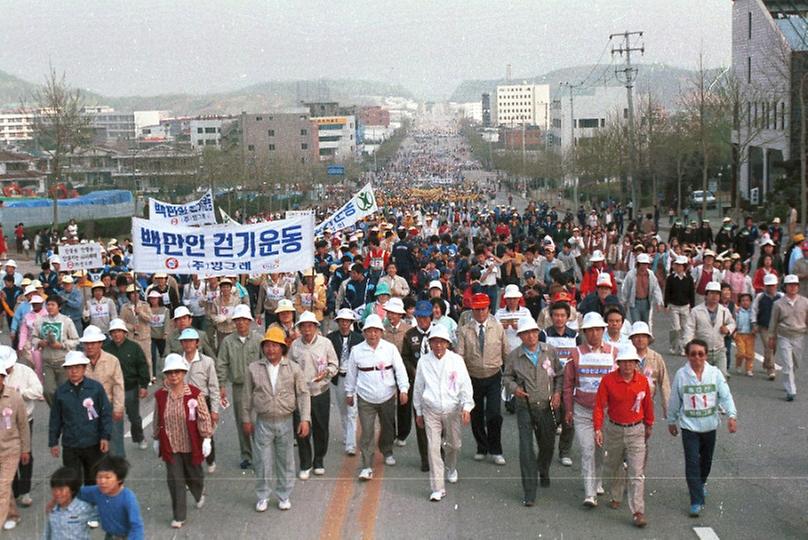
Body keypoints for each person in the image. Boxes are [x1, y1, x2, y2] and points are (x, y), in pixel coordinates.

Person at [242, 327, 310, 512]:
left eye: (275, 346)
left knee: (286, 459)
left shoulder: (293, 368)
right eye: (267, 346)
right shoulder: (254, 368)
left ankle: (283, 495)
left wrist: (305, 419)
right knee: (262, 461)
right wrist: (246, 419)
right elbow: (246, 395)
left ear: (282, 348)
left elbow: (303, 394)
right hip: (263, 421)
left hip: (285, 420)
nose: (271, 349)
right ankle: (262, 496)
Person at [668, 339, 738, 517]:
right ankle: (696, 500)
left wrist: (731, 415)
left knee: (706, 461)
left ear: (706, 356)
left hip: (709, 427)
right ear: (687, 355)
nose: (697, 358)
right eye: (693, 354)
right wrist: (671, 420)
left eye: (700, 354)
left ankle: (701, 483)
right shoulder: (681, 375)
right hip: (689, 427)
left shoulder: (714, 374)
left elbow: (725, 395)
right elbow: (675, 399)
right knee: (692, 463)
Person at [503, 318, 563, 507]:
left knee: (547, 444)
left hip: (547, 406)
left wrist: (557, 393)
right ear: (520, 336)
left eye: (534, 332)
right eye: (526, 333)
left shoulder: (549, 351)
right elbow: (506, 377)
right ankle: (529, 492)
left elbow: (559, 374)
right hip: (525, 407)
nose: (531, 336)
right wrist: (514, 389)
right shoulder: (514, 356)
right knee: (526, 449)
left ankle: (543, 468)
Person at [562, 311, 618, 507]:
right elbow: (568, 384)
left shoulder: (614, 353)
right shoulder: (575, 354)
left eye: (597, 329)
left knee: (600, 450)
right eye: (589, 330)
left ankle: (598, 480)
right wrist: (568, 409)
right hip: (583, 410)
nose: (594, 334)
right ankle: (589, 493)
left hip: (605, 412)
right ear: (584, 332)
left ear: (603, 330)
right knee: (587, 449)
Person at [344, 314, 410, 480]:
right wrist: (349, 393)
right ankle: (366, 465)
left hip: (387, 395)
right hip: (365, 397)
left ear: (381, 332)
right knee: (367, 431)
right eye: (369, 331)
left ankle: (387, 451)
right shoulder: (357, 351)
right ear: (364, 332)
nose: (372, 335)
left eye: (376, 331)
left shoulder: (390, 349)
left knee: (387, 427)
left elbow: (400, 370)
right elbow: (351, 374)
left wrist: (403, 389)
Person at [413, 324, 473, 502]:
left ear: (447, 343)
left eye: (442, 342)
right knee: (433, 449)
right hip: (430, 410)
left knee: (454, 445)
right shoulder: (423, 361)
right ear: (430, 343)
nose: (438, 346)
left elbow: (465, 385)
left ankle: (451, 467)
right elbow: (418, 388)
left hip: (452, 409)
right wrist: (418, 411)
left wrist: (467, 407)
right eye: (435, 342)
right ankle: (437, 488)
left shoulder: (456, 360)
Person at [593, 347, 653, 528]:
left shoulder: (642, 381)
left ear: (636, 363)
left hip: (636, 429)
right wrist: (598, 429)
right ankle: (616, 494)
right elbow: (598, 406)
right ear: (618, 363)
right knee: (614, 464)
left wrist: (649, 423)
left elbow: (648, 404)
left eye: (631, 362)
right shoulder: (608, 381)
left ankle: (638, 511)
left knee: (636, 471)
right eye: (624, 362)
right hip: (614, 429)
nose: (628, 365)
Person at [153, 353, 213, 529]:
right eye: (170, 373)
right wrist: (156, 438)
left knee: (194, 474)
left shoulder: (194, 394)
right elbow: (158, 418)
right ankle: (179, 515)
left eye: (177, 372)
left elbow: (204, 417)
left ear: (183, 373)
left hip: (190, 443)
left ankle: (198, 491)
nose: (173, 376)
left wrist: (207, 438)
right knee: (175, 479)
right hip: (170, 445)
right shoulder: (160, 395)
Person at [455, 293, 508, 465]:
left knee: (494, 414)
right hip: (472, 376)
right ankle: (481, 446)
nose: (480, 313)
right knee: (475, 414)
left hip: (494, 375)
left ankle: (496, 449)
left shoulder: (498, 327)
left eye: (483, 309)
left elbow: (506, 351)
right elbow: (459, 356)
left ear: (489, 309)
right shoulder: (464, 330)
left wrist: (509, 374)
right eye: (476, 310)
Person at [48, 351, 112, 486]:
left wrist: (105, 436)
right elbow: (55, 419)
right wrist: (53, 441)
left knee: (93, 480)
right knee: (72, 481)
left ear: (84, 368)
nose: (74, 371)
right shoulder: (61, 392)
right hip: (71, 444)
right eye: (70, 368)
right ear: (66, 370)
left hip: (93, 443)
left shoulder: (95, 388)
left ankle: (93, 506)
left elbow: (105, 413)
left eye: (77, 367)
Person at [288, 310, 338, 479]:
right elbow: (289, 367)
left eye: (310, 326)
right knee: (302, 429)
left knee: (321, 428)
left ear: (316, 327)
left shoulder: (325, 343)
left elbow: (334, 364)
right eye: (303, 326)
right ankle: (305, 462)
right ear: (300, 328)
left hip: (320, 392)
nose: (307, 330)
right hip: (301, 394)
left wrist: (327, 373)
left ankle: (319, 459)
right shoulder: (295, 345)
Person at [216, 303, 261, 469]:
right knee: (242, 422)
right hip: (238, 387)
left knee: (257, 422)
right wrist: (221, 385)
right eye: (238, 320)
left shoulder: (258, 340)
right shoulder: (228, 341)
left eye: (244, 319)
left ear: (249, 321)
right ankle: (246, 455)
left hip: (257, 387)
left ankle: (259, 455)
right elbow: (222, 363)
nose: (241, 323)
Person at [539, 300, 578, 467]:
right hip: (549, 380)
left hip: (569, 382)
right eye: (556, 315)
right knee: (548, 419)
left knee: (569, 418)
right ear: (551, 316)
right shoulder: (544, 334)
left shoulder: (576, 336)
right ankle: (545, 451)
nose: (559, 319)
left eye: (562, 315)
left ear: (568, 317)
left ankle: (565, 451)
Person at [103, 319, 150, 452]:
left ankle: (139, 437)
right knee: (114, 418)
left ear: (125, 333)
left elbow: (142, 366)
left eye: (119, 331)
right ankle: (115, 446)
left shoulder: (134, 347)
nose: (116, 334)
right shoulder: (106, 349)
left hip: (130, 388)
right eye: (113, 332)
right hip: (112, 390)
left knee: (134, 417)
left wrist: (143, 385)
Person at [178, 328, 220, 473]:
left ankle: (210, 459)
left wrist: (214, 410)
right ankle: (192, 468)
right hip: (182, 403)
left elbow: (214, 387)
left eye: (191, 341)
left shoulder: (207, 362)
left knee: (206, 433)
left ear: (197, 343)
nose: (188, 344)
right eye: (184, 341)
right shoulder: (177, 362)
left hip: (203, 402)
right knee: (186, 435)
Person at [80, 325, 126, 457]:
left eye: (93, 343)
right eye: (87, 343)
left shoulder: (112, 360)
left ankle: (117, 474)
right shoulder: (79, 362)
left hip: (109, 407)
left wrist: (118, 408)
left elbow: (118, 385)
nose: (89, 347)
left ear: (100, 343)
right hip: (86, 410)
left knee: (115, 446)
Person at [399, 300, 433, 470]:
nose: (422, 320)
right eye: (419, 317)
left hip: (436, 384)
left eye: (425, 317)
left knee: (438, 421)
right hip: (417, 383)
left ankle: (439, 453)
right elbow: (404, 356)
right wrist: (414, 371)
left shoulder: (438, 333)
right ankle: (425, 458)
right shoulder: (410, 334)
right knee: (420, 421)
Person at [76, 455, 145, 539]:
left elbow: (137, 526)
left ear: (119, 479)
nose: (102, 481)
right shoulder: (97, 491)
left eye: (107, 477)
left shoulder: (128, 498)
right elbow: (77, 493)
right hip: (109, 536)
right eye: (99, 477)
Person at [326, 308, 363, 456]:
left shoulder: (359, 338)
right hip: (339, 377)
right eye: (342, 321)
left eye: (347, 321)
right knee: (343, 410)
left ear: (351, 322)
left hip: (353, 377)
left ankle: (351, 444)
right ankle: (348, 435)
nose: (344, 324)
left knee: (352, 411)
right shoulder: (331, 338)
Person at [33, 295, 80, 406]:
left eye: (53, 305)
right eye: (48, 304)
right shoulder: (40, 321)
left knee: (65, 391)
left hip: (63, 361)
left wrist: (62, 345)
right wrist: (40, 342)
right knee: (48, 391)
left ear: (59, 307)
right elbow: (34, 337)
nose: (50, 307)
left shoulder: (66, 321)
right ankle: (56, 411)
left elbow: (76, 340)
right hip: (47, 362)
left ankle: (64, 414)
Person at [0, 363, 30, 531]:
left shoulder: (14, 397)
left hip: (10, 449)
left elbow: (23, 425)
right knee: (3, 487)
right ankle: (12, 514)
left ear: (3, 378)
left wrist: (26, 449)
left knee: (3, 486)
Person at [683, 281, 736, 378]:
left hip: (719, 349)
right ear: (706, 295)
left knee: (721, 377)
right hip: (702, 352)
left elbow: (732, 323)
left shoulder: (724, 311)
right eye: (711, 293)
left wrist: (728, 329)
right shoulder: (696, 311)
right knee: (703, 378)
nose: (714, 296)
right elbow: (689, 328)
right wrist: (688, 345)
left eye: (717, 294)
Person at [768, 274, 808, 401]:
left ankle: (788, 381)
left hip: (799, 335)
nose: (792, 288)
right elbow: (773, 321)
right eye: (790, 285)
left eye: (795, 285)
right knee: (787, 363)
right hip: (784, 335)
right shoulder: (778, 304)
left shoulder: (805, 302)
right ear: (785, 287)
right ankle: (791, 390)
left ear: (798, 287)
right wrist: (771, 337)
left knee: (796, 363)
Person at [43, 467, 96, 540]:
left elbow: (96, 519)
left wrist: (89, 525)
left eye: (61, 490)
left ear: (72, 490)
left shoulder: (83, 508)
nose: (57, 493)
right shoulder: (52, 510)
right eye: (54, 489)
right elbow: (48, 531)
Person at [620, 253, 663, 330]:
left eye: (646, 264)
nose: (644, 266)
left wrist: (659, 302)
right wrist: (624, 302)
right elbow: (625, 289)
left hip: (646, 302)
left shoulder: (651, 274)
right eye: (642, 264)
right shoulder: (631, 275)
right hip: (635, 303)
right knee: (636, 324)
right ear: (638, 264)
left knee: (645, 325)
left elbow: (656, 288)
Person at [664, 255, 695, 355]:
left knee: (684, 327)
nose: (678, 267)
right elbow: (667, 292)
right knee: (675, 328)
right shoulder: (671, 278)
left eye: (680, 265)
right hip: (674, 306)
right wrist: (666, 304)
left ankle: (683, 348)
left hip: (685, 306)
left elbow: (691, 293)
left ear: (684, 267)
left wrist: (692, 306)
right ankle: (673, 345)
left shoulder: (689, 279)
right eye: (676, 265)